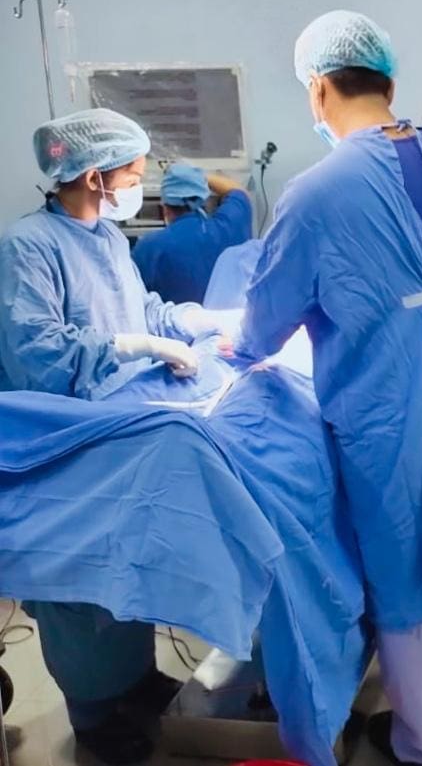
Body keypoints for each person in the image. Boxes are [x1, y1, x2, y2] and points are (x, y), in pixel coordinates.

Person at [230, 11, 422, 766]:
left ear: (318, 90)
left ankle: (420, 741)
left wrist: (236, 342)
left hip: (386, 408)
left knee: (403, 560)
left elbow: (264, 324)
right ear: (388, 79)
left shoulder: (317, 190)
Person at [0, 107, 224, 765]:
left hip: (118, 430)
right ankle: (93, 714)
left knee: (130, 567)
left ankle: (133, 680)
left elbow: (140, 306)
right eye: (132, 171)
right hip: (62, 445)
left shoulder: (105, 239)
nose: (140, 180)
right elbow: (38, 352)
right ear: (95, 176)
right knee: (81, 586)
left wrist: (190, 320)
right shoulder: (28, 245)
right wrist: (134, 343)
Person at [132, 163, 252, 304]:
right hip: (231, 323)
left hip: (178, 325)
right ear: (203, 199)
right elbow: (238, 191)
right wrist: (196, 175)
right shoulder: (230, 225)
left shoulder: (148, 248)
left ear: (164, 208)